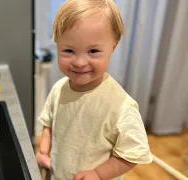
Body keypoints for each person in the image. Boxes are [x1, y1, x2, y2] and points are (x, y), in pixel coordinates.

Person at [35, 0, 153, 179]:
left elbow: (132, 154)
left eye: (93, 51)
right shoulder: (59, 89)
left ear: (113, 46)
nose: (80, 62)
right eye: (68, 50)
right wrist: (44, 152)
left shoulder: (121, 107)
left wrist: (98, 173)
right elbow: (49, 123)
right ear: (57, 44)